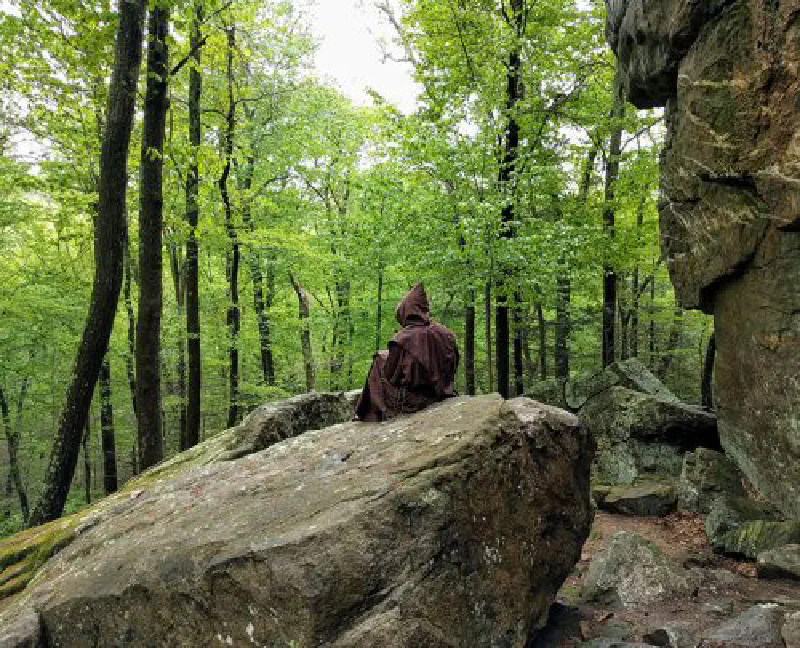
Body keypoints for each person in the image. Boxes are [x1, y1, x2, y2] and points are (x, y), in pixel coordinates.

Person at [355, 282, 459, 422]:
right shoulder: (446, 334)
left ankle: (372, 416)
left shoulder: (403, 339)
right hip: (442, 393)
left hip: (414, 402)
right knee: (382, 358)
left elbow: (392, 376)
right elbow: (454, 363)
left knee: (378, 362)